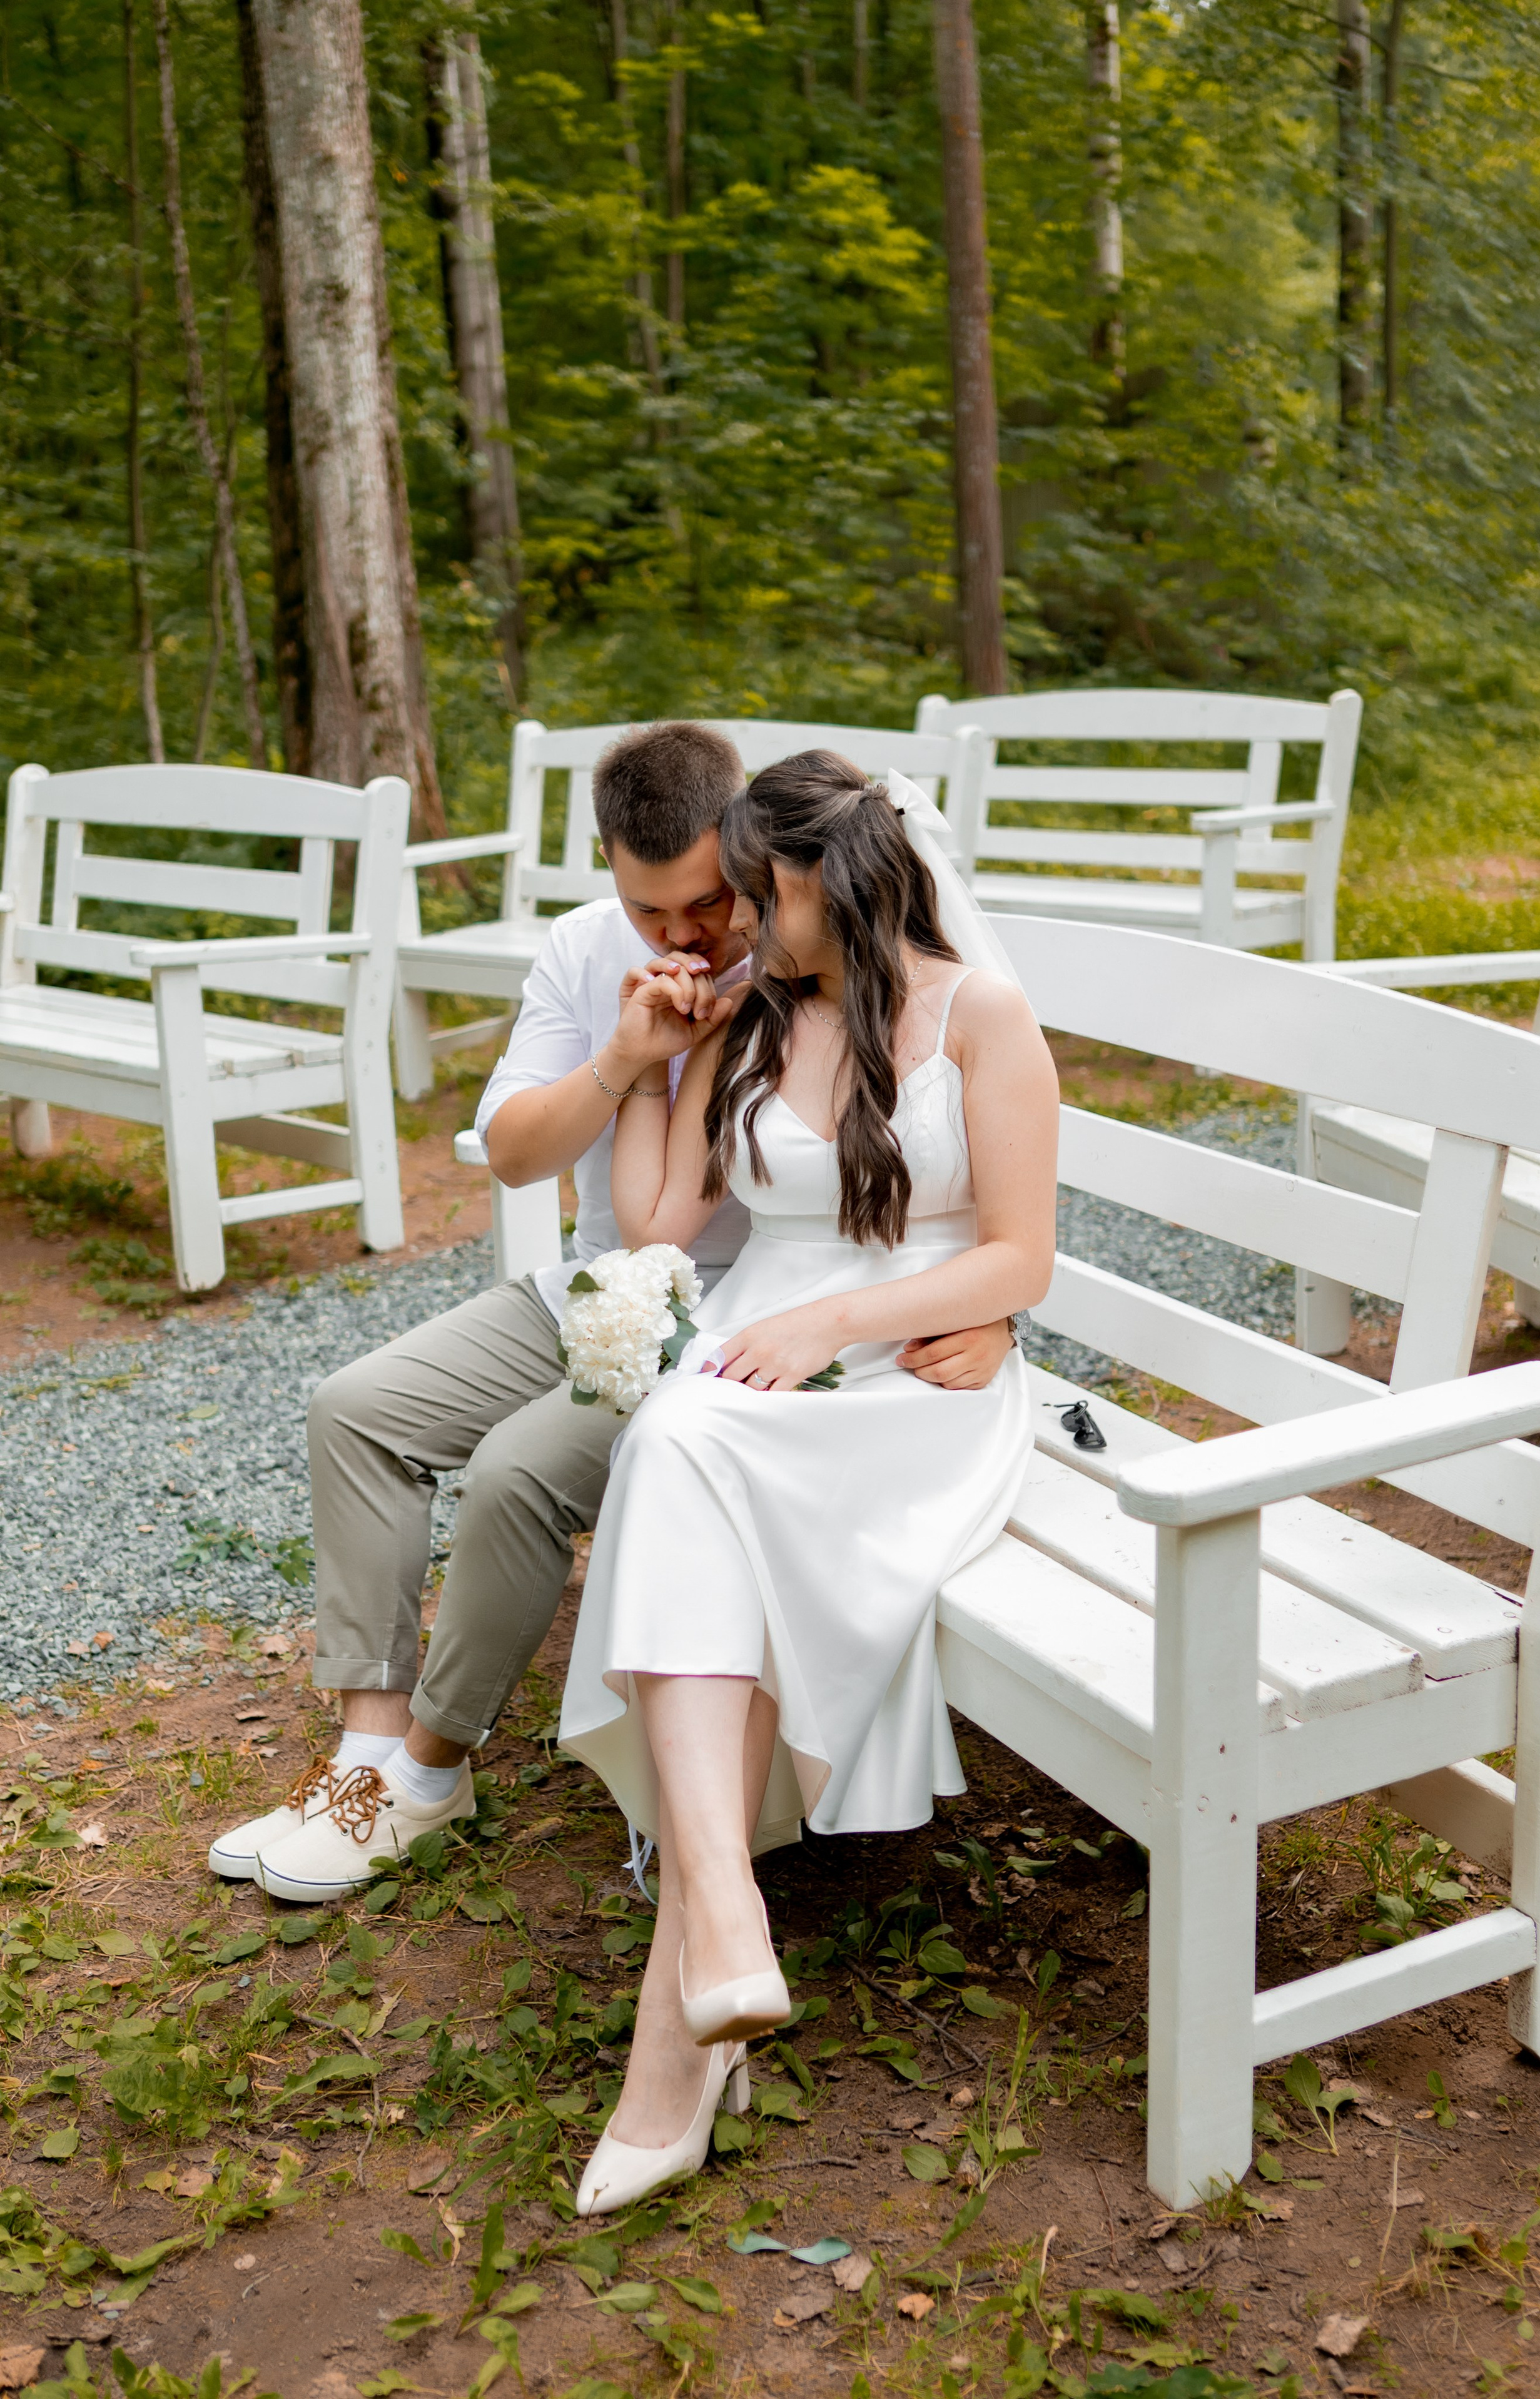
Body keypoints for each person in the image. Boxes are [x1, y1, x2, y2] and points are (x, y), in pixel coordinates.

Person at [206, 721, 1018, 1900]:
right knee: (356, 1409)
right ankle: (370, 1756)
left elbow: (967, 1181)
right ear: (609, 875)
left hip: (752, 1320)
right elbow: (523, 1159)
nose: (686, 935)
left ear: (748, 858)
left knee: (515, 1475)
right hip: (607, 1288)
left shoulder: (811, 971)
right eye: (653, 914)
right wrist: (630, 1059)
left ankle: (431, 1769)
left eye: (710, 904)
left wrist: (990, 1319)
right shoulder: (592, 951)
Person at [559, 749, 1059, 2216]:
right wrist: (657, 1049)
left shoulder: (984, 1018)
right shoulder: (760, 1017)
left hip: (909, 1381)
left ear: (823, 884)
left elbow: (1017, 1252)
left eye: (757, 894)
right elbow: (660, 1217)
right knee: (680, 1440)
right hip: (754, 1363)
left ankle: (690, 2000)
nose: (732, 926)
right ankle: (721, 1912)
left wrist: (855, 1317)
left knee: (682, 1446)